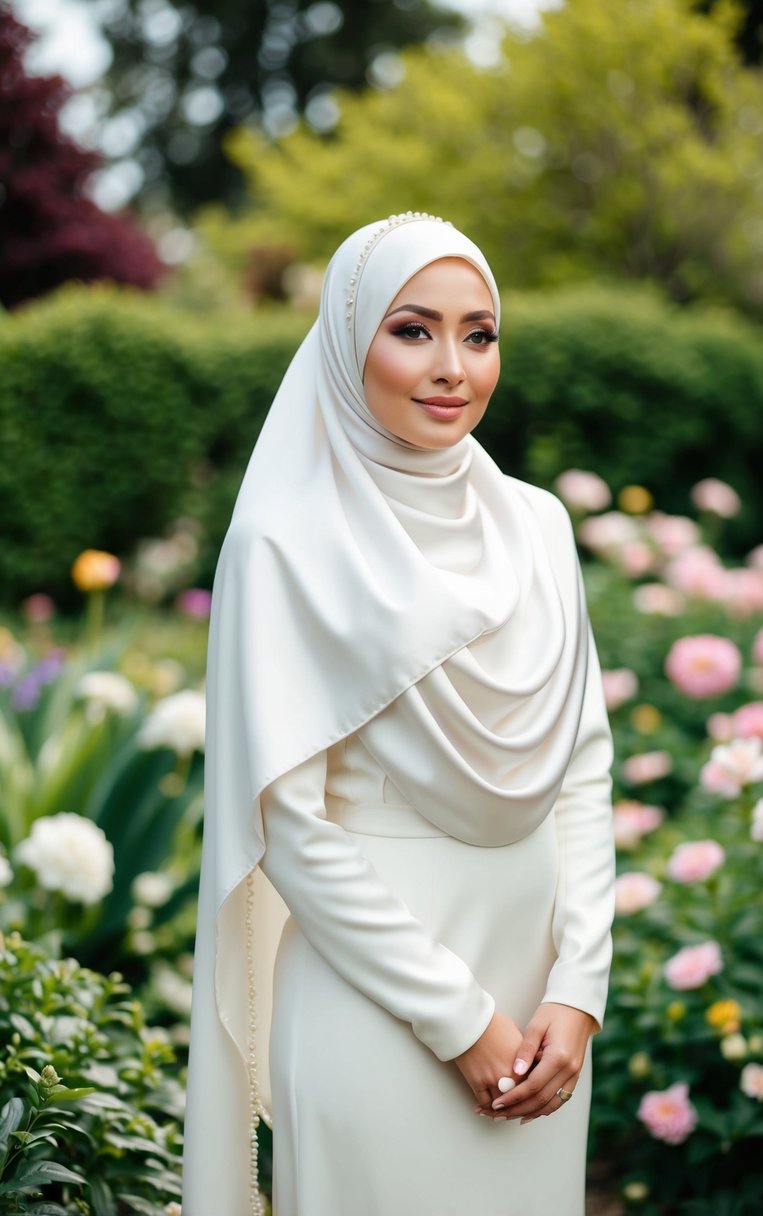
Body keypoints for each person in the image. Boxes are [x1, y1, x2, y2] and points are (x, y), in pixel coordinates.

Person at [182, 212, 615, 1216]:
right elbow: (287, 824)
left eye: (479, 332)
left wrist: (578, 990)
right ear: (348, 341)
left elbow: (583, 768)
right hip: (375, 1003)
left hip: (544, 1010)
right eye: (412, 329)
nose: (451, 365)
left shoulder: (539, 527)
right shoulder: (284, 543)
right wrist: (461, 1022)